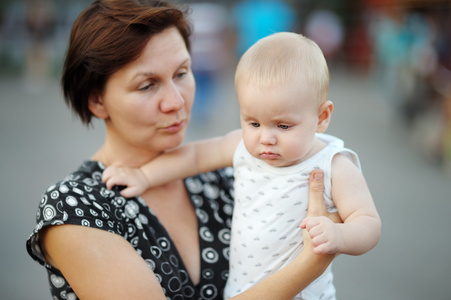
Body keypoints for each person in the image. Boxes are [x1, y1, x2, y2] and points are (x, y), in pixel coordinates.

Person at [26, 1, 339, 299]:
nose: (176, 101)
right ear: (97, 100)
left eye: (181, 73)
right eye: (147, 85)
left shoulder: (223, 176)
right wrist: (309, 264)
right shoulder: (77, 207)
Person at [103, 32, 381, 299]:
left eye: (283, 126)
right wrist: (145, 175)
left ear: (321, 117)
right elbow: (196, 157)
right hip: (243, 291)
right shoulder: (244, 149)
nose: (266, 138)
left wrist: (339, 235)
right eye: (253, 123)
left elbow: (368, 223)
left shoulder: (334, 165)